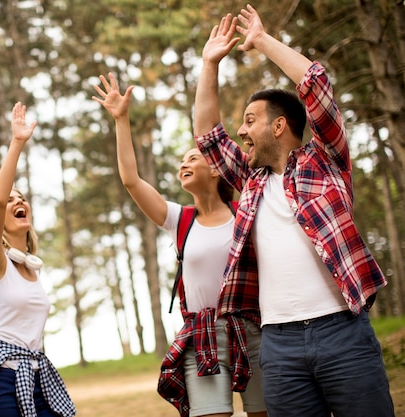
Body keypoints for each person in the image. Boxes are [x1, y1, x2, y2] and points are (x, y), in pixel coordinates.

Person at [193, 6, 395, 416]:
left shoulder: (325, 160)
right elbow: (207, 136)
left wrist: (263, 41)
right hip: (279, 346)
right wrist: (208, 64)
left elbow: (315, 84)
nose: (242, 131)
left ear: (280, 126)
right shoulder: (251, 183)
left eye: (250, 121)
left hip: (343, 332)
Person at [92, 72, 267, 417]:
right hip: (202, 333)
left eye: (193, 158)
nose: (184, 164)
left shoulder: (244, 210)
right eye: (182, 161)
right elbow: (131, 179)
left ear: (217, 169)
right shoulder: (179, 220)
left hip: (253, 330)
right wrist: (121, 120)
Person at [0, 102, 76, 417]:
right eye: (12, 200)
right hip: (0, 378)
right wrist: (17, 143)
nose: (18, 201)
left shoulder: (32, 266)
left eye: (22, 198)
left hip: (37, 374)